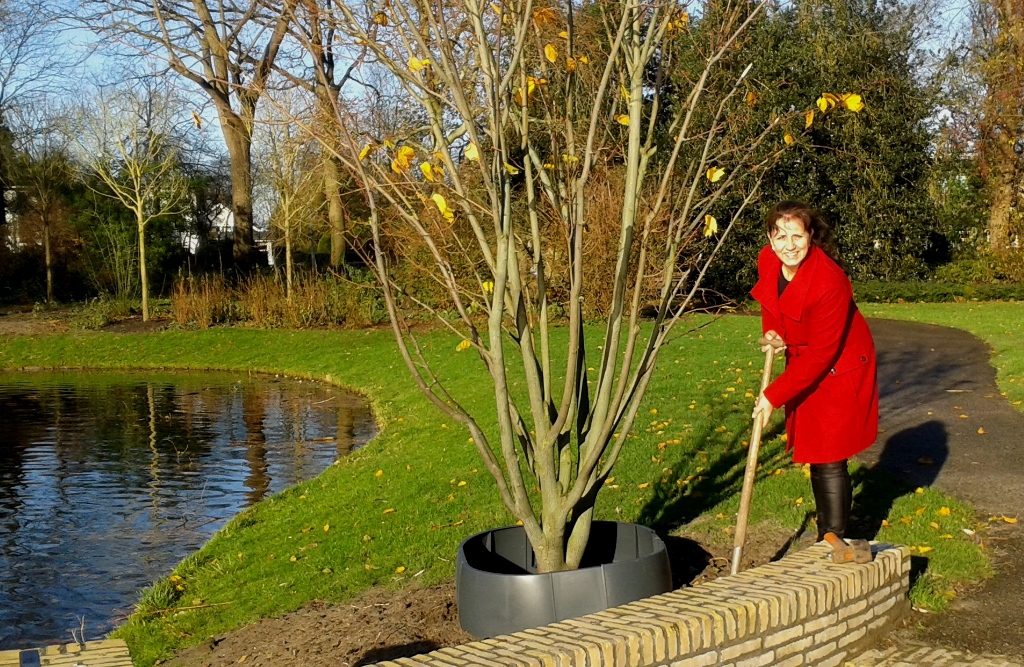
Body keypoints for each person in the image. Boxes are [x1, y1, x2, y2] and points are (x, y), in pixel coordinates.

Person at [749, 201, 878, 540]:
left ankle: (832, 539)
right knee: (817, 449)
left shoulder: (829, 282)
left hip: (842, 363)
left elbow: (822, 354)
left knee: (829, 449)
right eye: (781, 236)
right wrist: (774, 333)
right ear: (770, 238)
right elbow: (772, 301)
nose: (789, 245)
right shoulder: (768, 259)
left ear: (811, 236)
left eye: (797, 235)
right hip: (807, 355)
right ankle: (829, 536)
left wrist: (772, 396)